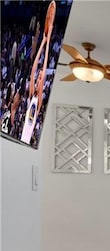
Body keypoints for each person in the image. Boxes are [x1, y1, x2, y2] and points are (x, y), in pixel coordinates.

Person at [20, 0, 56, 145]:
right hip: (23, 137)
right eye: (38, 77)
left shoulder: (38, 100)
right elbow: (34, 68)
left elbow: (43, 65)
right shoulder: (31, 95)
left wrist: (47, 44)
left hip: (28, 140)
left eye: (41, 77)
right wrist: (42, 42)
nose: (38, 78)